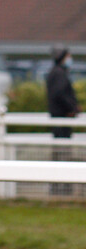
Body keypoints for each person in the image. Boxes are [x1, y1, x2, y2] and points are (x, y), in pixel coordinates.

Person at [46, 47, 79, 195]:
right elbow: (60, 94)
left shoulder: (55, 72)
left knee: (59, 152)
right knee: (62, 153)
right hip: (62, 118)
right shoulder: (59, 74)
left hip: (58, 118)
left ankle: (59, 186)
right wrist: (72, 108)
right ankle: (62, 188)